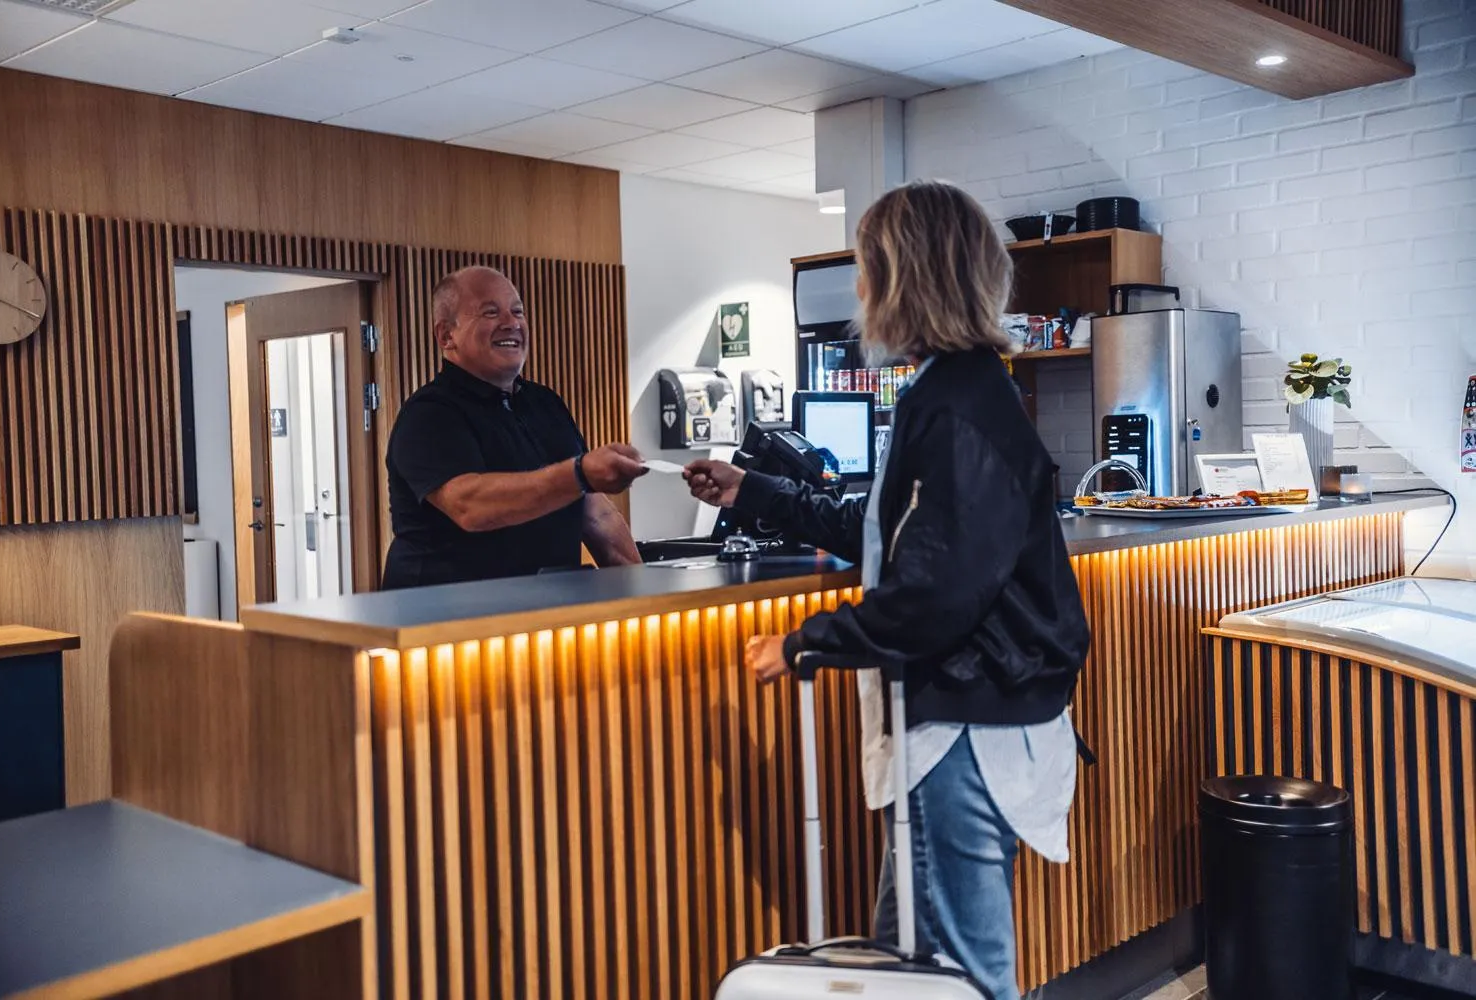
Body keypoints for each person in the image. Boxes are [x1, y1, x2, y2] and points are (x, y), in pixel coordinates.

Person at [684, 180, 1090, 1000]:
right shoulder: (958, 393)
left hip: (964, 730)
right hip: (973, 719)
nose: (860, 296)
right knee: (913, 958)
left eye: (867, 272)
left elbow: (933, 596)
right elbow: (883, 531)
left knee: (955, 976)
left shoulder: (959, 408)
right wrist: (750, 491)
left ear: (904, 278)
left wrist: (804, 641)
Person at [382, 265, 646, 589]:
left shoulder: (545, 403)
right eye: (490, 313)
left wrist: (645, 592)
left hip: (544, 617)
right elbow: (471, 506)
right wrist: (578, 474)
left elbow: (596, 515)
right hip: (445, 625)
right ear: (446, 336)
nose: (511, 323)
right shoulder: (429, 414)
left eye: (517, 311)